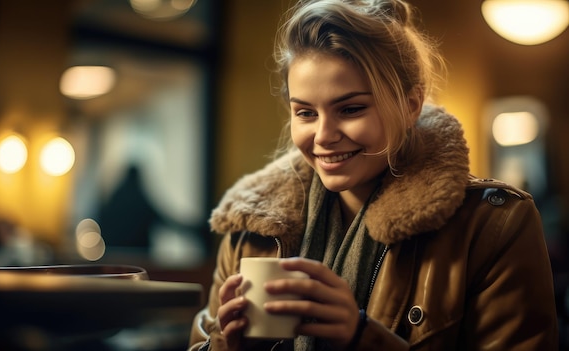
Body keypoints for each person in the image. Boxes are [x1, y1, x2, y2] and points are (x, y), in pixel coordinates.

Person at [188, 0, 558, 350]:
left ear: (410, 105)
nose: (323, 136)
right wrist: (226, 344)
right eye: (305, 113)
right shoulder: (252, 227)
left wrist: (362, 338)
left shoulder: (494, 225)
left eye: (350, 109)